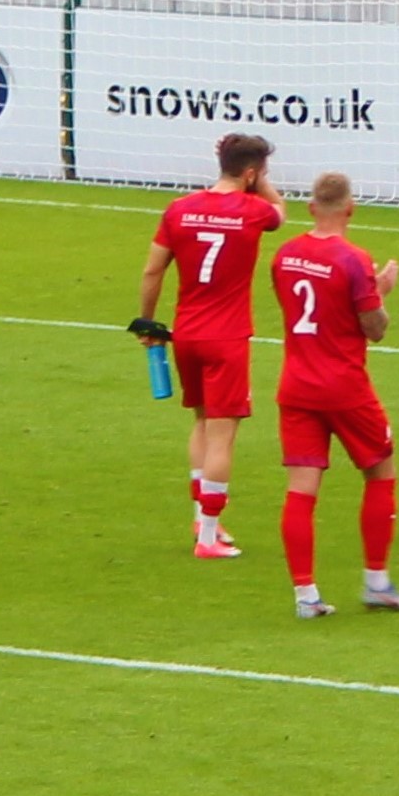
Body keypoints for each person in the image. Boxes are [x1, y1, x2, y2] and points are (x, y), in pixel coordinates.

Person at [268, 175, 399, 620]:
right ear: (350, 209)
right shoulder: (353, 260)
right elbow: (375, 328)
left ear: (312, 208)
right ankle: (376, 583)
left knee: (301, 490)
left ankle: (305, 596)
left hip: (296, 385)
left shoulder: (284, 255)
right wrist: (380, 290)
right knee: (381, 471)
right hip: (345, 388)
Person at [133, 133, 283, 562]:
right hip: (227, 339)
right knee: (223, 435)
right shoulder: (254, 211)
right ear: (251, 173)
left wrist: (148, 323)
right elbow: (280, 211)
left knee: (201, 423)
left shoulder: (179, 209)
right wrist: (261, 183)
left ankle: (201, 519)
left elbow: (152, 270)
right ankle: (209, 537)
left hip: (187, 335)